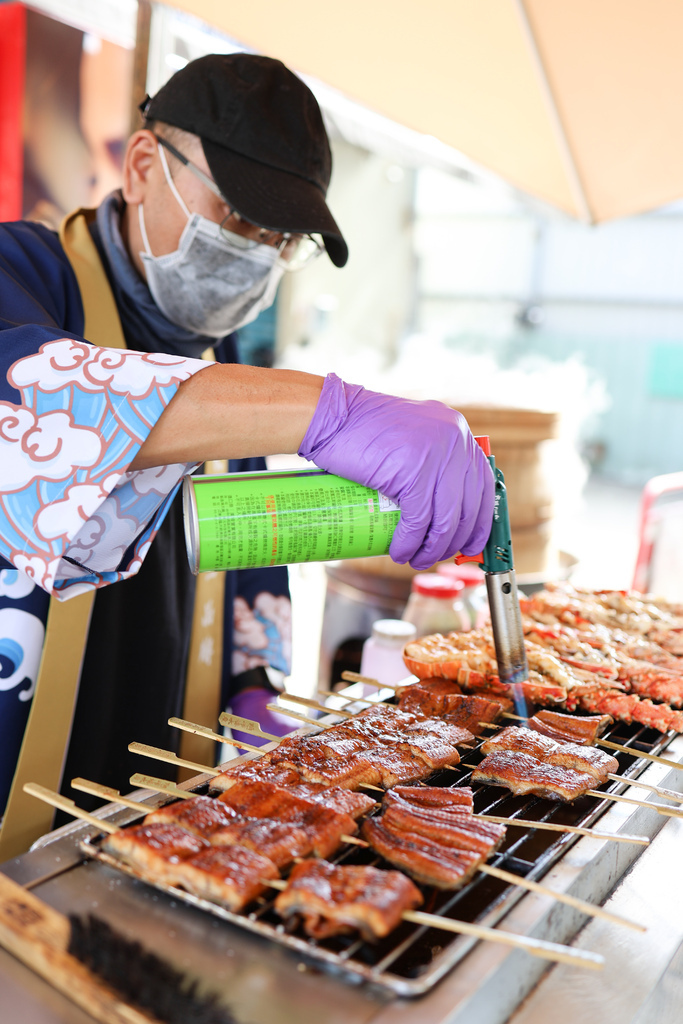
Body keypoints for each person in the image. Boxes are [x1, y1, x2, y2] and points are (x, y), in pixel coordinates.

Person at [0, 53, 494, 851]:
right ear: (140, 167)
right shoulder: (22, 272)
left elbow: (246, 565)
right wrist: (329, 414)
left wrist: (255, 691)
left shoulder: (222, 367)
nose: (258, 250)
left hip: (159, 790)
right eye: (236, 216)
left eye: (282, 236)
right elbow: (29, 399)